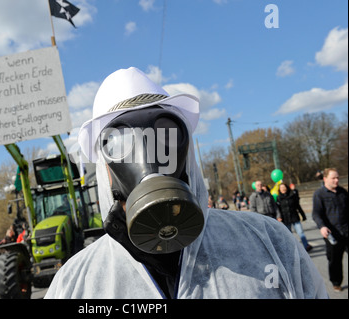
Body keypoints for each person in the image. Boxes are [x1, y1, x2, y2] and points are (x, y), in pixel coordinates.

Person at [45, 67, 327, 298]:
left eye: (165, 136)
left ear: (187, 150)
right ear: (104, 167)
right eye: (118, 144)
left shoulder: (271, 243)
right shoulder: (73, 284)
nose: (148, 159)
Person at [312, 168, 348, 292]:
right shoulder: (319, 194)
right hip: (332, 234)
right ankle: (336, 282)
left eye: (338, 177)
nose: (337, 180)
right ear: (325, 179)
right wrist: (322, 226)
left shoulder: (343, 192)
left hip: (346, 231)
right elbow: (316, 213)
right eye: (333, 178)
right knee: (335, 261)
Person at [276, 183, 313, 252]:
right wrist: (279, 217)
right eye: (281, 188)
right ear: (279, 189)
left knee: (300, 232)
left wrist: (303, 215)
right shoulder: (278, 198)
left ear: (287, 188)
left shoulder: (292, 196)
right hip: (286, 218)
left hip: (294, 217)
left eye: (284, 187)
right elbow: (278, 209)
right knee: (288, 235)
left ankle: (306, 246)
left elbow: (298, 206)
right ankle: (292, 249)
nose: (283, 189)